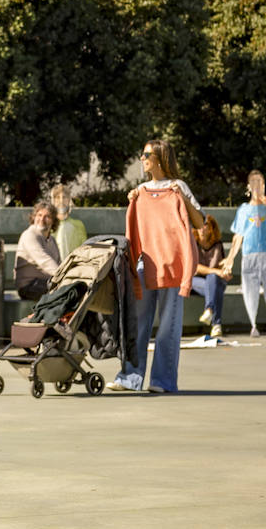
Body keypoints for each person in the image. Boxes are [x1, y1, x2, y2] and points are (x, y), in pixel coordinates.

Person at [107, 139, 204, 394]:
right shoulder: (140, 192)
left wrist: (182, 196)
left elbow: (199, 222)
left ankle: (163, 382)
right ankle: (129, 377)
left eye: (146, 154)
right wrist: (134, 199)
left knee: (168, 328)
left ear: (160, 158)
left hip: (173, 267)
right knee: (137, 323)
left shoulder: (177, 187)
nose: (142, 158)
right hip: (145, 266)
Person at [223, 171, 266, 338]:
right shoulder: (243, 209)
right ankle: (253, 324)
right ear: (249, 187)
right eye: (254, 183)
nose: (257, 186)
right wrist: (230, 259)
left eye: (260, 183)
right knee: (250, 290)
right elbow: (238, 235)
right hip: (249, 254)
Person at [14, 201, 61, 300]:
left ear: (53, 221)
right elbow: (44, 261)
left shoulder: (52, 240)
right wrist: (63, 277)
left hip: (45, 282)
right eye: (39, 215)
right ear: (34, 217)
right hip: (29, 286)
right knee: (66, 292)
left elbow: (59, 264)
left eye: (47, 216)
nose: (42, 219)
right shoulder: (29, 235)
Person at [190, 215, 227, 338]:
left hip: (213, 281)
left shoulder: (217, 245)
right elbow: (195, 267)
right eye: (198, 225)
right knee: (215, 285)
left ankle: (209, 311)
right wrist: (216, 271)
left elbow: (221, 265)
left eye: (204, 225)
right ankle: (216, 324)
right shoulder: (192, 243)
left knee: (214, 280)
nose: (201, 229)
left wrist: (226, 271)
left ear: (211, 228)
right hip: (195, 281)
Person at [51, 183, 87, 259]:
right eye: (57, 197)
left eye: (64, 197)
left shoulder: (78, 225)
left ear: (69, 200)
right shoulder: (48, 224)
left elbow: (84, 249)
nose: (61, 201)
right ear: (53, 201)